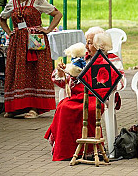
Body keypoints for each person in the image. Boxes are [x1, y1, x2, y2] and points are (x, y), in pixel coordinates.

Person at [44, 27, 126, 161]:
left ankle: (89, 149)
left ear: (99, 44)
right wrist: (61, 73)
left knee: (91, 109)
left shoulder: (111, 59)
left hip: (101, 97)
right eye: (86, 42)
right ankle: (67, 150)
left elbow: (120, 81)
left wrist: (103, 83)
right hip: (80, 96)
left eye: (89, 42)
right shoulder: (82, 58)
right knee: (64, 107)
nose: (86, 46)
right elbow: (68, 81)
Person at [0, 0, 62, 118]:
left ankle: (34, 108)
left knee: (35, 72)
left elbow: (57, 14)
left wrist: (47, 29)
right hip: (18, 43)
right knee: (17, 72)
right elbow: (2, 19)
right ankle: (16, 107)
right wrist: (9, 33)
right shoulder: (12, 4)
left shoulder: (37, 1)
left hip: (34, 41)